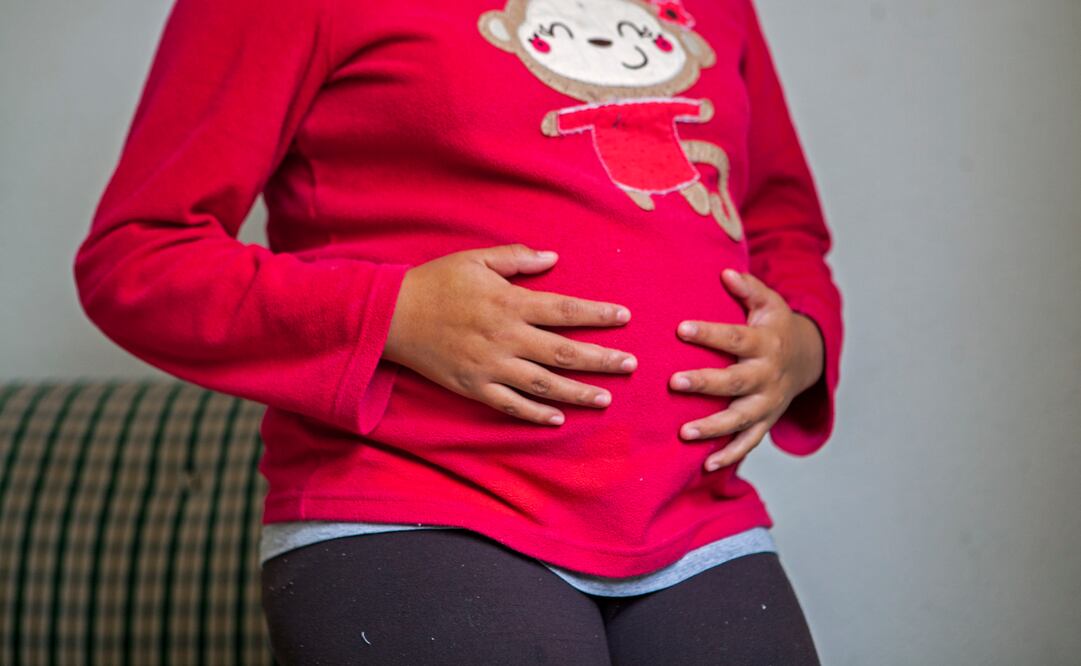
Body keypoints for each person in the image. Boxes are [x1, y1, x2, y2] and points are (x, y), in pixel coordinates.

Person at [73, 0, 844, 663]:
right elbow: (139, 256)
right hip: (413, 501)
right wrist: (392, 312)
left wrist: (801, 344)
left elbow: (781, 222)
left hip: (696, 513)